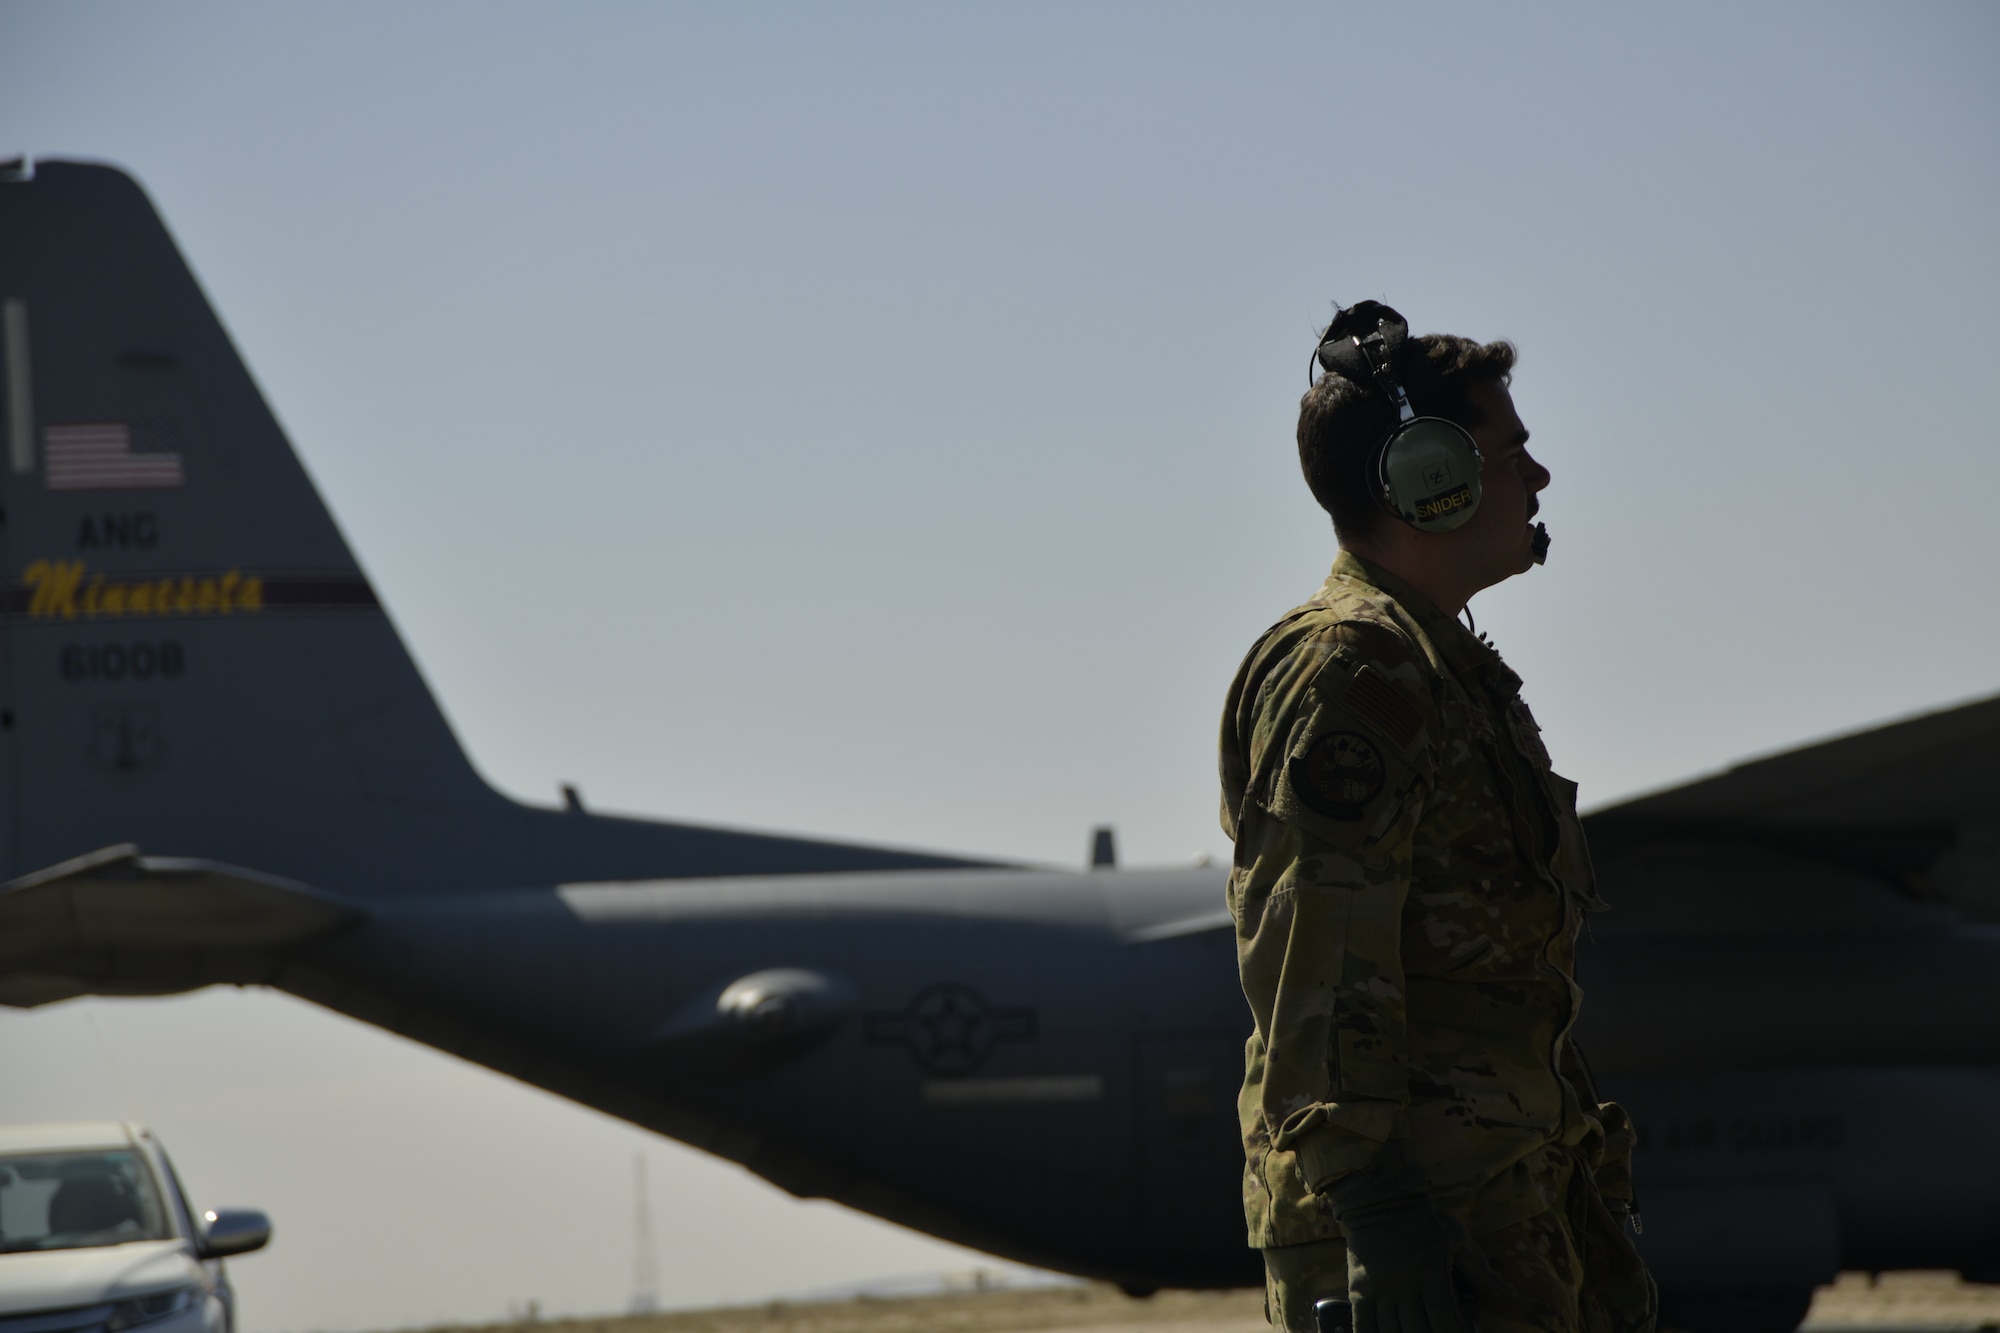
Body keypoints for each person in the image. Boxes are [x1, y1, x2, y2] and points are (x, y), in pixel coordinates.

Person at [1219, 302, 1655, 1333]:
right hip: (1425, 1228)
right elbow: (1312, 953)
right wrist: (1373, 1210)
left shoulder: (1441, 670)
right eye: (1513, 454)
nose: (1536, 480)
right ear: (1426, 478)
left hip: (1500, 1207)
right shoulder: (1351, 671)